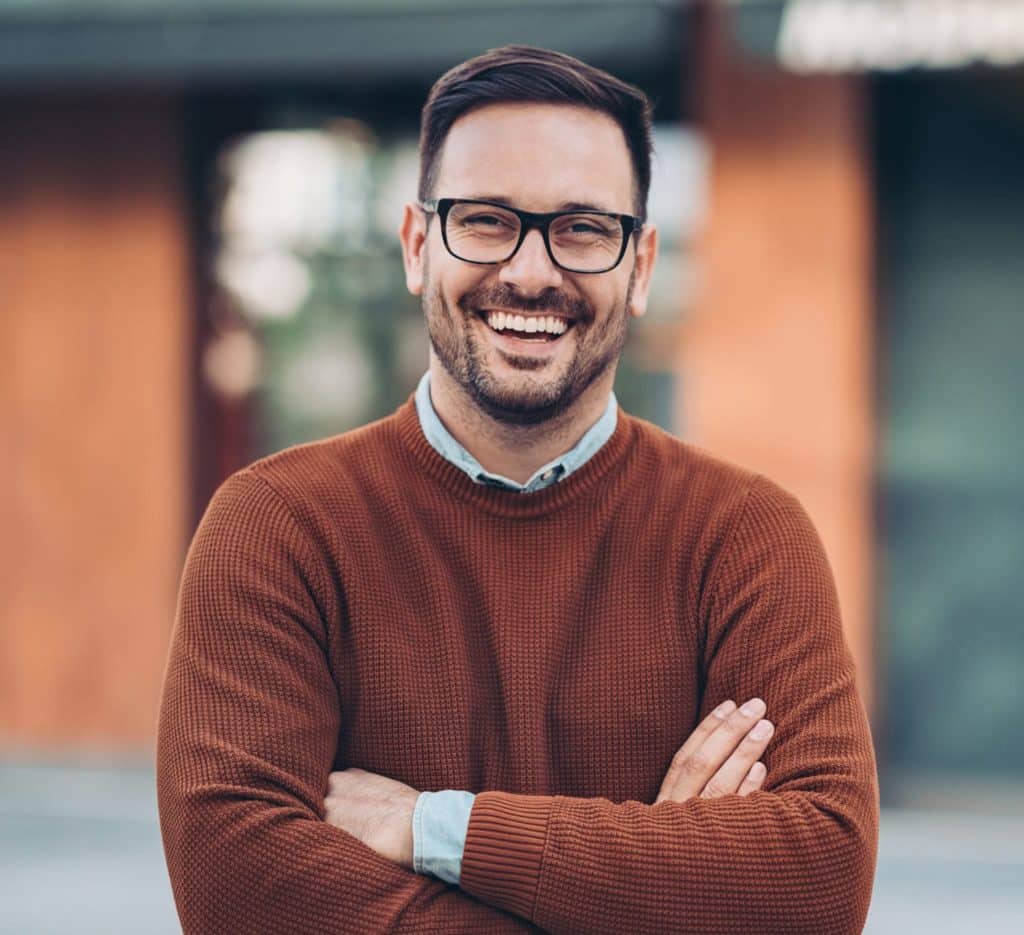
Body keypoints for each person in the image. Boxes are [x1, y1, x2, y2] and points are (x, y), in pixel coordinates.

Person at [156, 45, 879, 934]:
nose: (532, 272)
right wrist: (659, 878)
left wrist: (436, 828)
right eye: (488, 220)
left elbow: (820, 880)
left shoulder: (746, 536)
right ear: (420, 247)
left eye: (582, 227)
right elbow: (241, 896)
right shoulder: (278, 528)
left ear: (641, 266)